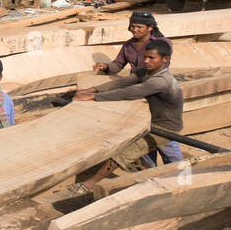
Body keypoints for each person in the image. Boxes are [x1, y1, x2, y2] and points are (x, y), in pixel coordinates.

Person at [72, 38, 183, 189]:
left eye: (151, 58)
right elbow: (122, 82)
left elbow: (130, 92)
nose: (146, 61)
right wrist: (93, 89)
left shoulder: (161, 81)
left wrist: (94, 97)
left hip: (166, 128)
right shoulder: (146, 72)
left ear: (165, 59)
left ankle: (90, 184)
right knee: (154, 158)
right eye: (145, 56)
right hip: (153, 123)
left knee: (124, 154)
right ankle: (157, 180)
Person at [93, 11, 172, 76]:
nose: (134, 30)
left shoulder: (162, 43)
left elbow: (163, 66)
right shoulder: (128, 45)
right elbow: (118, 64)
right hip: (134, 81)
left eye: (139, 27)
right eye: (132, 26)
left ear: (150, 28)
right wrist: (105, 67)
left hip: (154, 81)